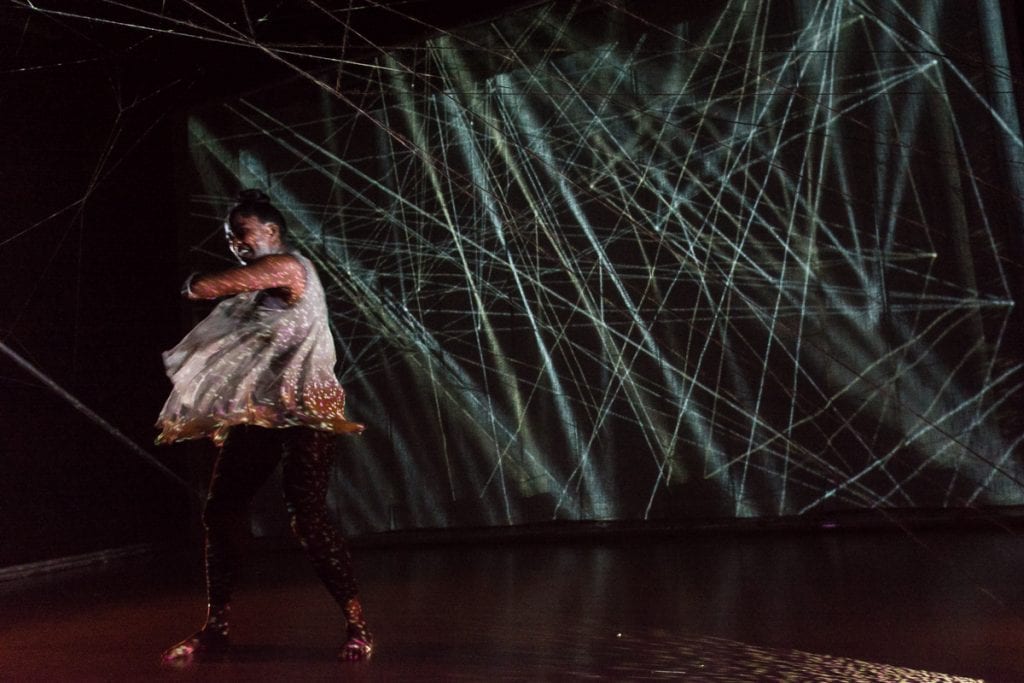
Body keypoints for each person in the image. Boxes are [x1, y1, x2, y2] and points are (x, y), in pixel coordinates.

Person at [155, 189, 373, 664]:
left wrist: (194, 282)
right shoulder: (256, 291)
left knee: (307, 514)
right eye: (230, 237)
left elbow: (204, 288)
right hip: (266, 411)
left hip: (309, 409)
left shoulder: (290, 268)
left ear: (271, 232)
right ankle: (216, 627)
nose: (235, 243)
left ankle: (357, 624)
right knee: (221, 509)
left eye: (242, 234)